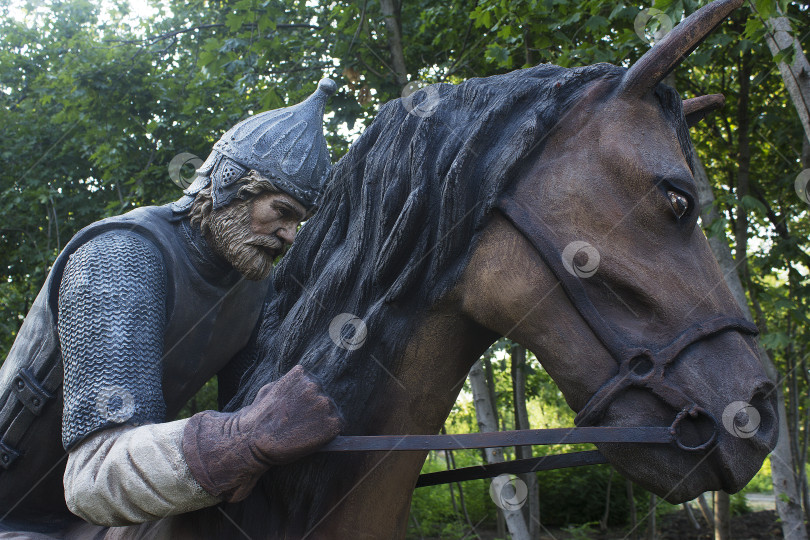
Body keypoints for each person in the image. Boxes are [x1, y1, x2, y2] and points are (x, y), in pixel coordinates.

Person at [0, 79, 342, 533]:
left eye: (298, 221)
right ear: (226, 185)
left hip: (96, 525)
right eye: (281, 211)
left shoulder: (253, 289)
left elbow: (248, 410)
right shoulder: (122, 255)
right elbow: (93, 474)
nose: (289, 236)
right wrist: (243, 441)